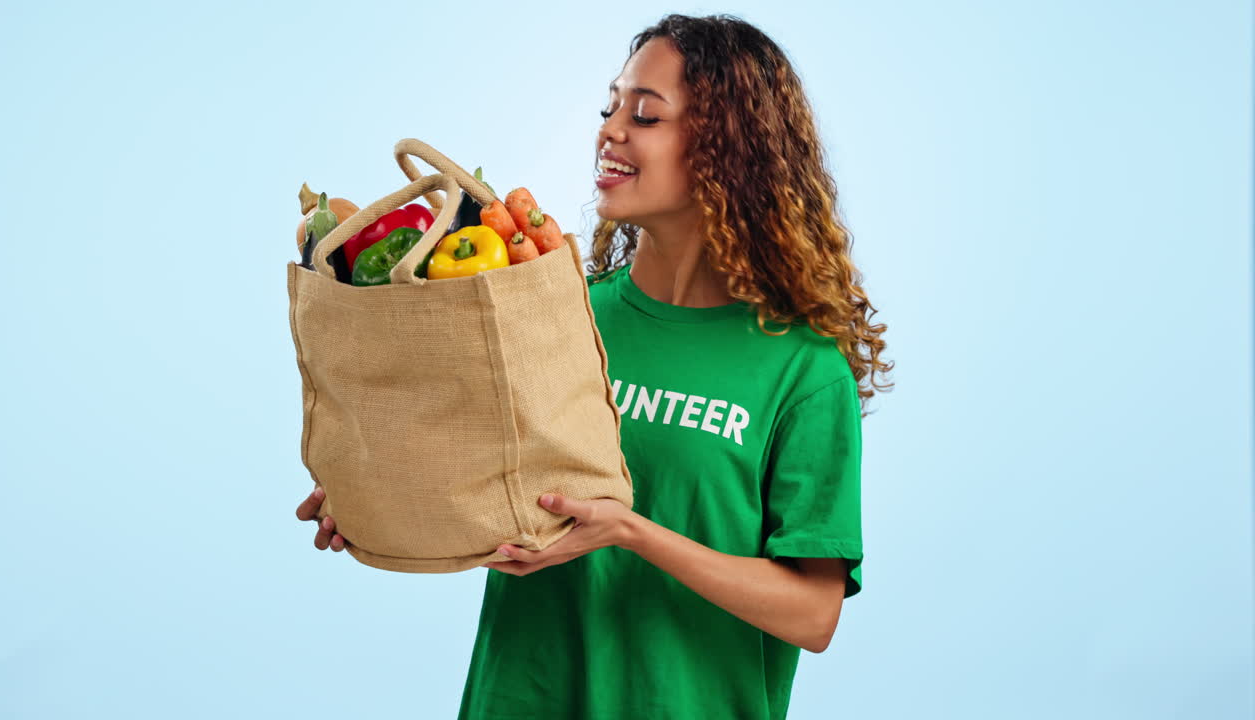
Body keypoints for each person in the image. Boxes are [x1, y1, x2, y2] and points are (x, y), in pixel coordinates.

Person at [294, 13, 893, 720]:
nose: (610, 130)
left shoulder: (800, 368)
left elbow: (813, 615)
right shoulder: (558, 313)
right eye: (610, 108)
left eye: (645, 115)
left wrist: (630, 530)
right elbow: (487, 484)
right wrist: (377, 496)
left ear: (727, 148)